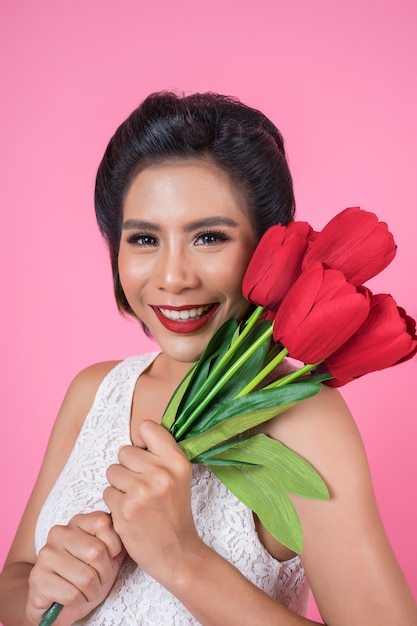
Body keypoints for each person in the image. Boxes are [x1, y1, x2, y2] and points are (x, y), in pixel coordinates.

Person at [0, 91, 416, 626]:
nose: (173, 277)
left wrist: (184, 562)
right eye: (145, 238)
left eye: (209, 237)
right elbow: (14, 583)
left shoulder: (302, 423)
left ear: (268, 249)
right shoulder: (94, 392)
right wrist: (38, 594)